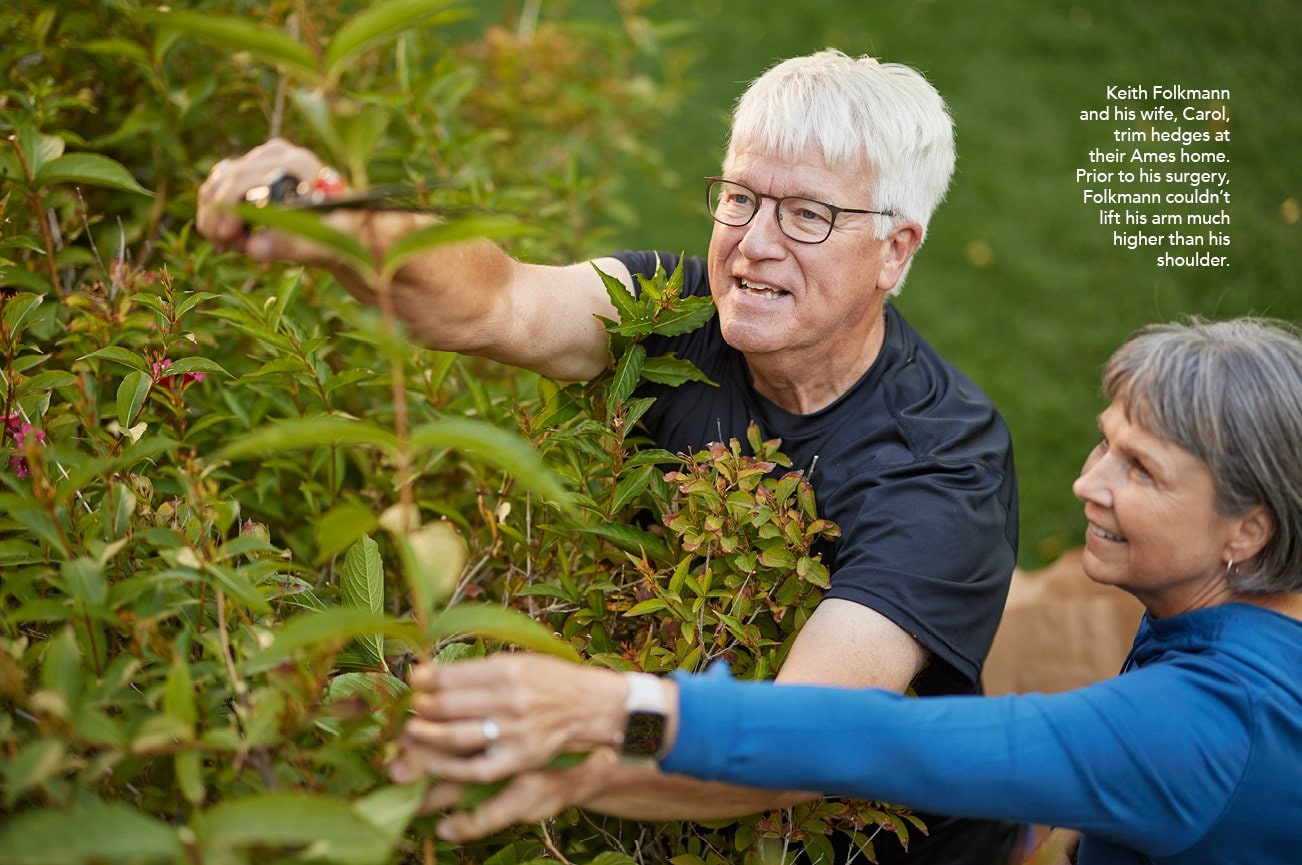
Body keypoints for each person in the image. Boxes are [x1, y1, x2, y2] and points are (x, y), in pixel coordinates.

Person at [197, 50, 1020, 861]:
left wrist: (568, 752)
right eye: (739, 197)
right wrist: (338, 214)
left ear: (895, 249)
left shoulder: (943, 463)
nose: (752, 244)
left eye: (807, 214)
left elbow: (806, 740)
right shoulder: (671, 312)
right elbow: (499, 299)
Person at [391, 318, 1302, 865]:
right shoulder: (1235, 621)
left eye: (1140, 468)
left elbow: (885, 737)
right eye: (1104, 442)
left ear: (1248, 528)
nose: (1088, 483)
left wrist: (611, 704)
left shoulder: (1207, 729)